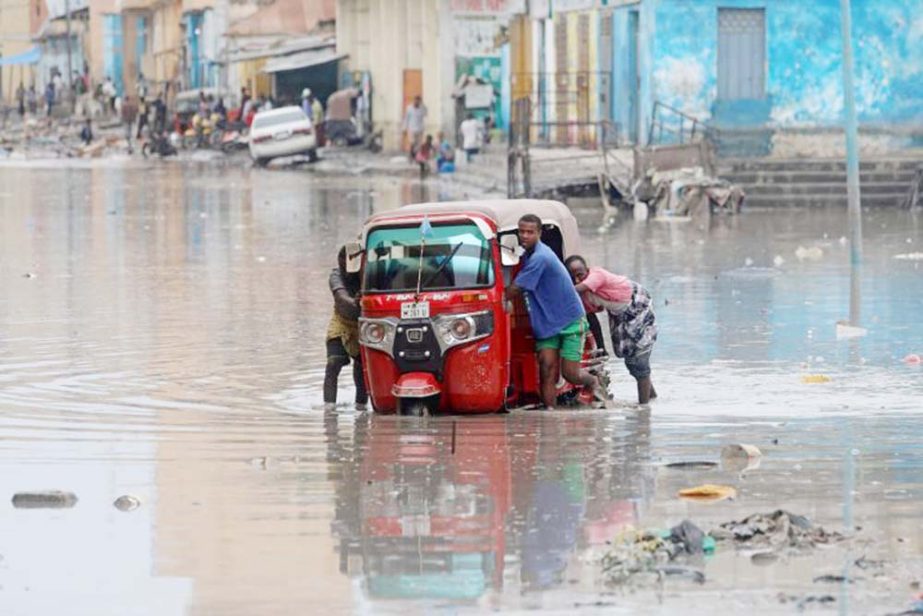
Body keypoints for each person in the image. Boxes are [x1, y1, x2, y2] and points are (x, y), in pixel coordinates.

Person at [505, 214, 605, 409]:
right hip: (546, 322)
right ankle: (550, 413)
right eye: (521, 232)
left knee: (570, 373)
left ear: (539, 234)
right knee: (546, 369)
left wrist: (495, 298)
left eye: (530, 232)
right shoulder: (528, 255)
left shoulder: (541, 257)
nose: (525, 236)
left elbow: (516, 288)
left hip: (569, 320)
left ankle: (593, 382)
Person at [565, 255, 658, 404]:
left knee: (639, 358)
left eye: (579, 275)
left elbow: (579, 287)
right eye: (571, 277)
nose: (577, 280)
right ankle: (651, 397)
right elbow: (592, 321)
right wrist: (601, 348)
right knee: (630, 360)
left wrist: (559, 288)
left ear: (587, 271)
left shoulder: (596, 275)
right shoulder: (583, 297)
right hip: (619, 314)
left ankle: (644, 410)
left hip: (637, 304)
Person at [324, 246, 368, 411]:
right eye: (342, 260)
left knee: (362, 370)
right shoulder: (336, 276)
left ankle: (361, 408)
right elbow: (341, 297)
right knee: (333, 363)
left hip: (363, 324)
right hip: (341, 322)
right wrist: (355, 302)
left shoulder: (366, 273)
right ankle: (329, 410)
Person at [402, 95, 426, 161]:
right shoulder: (409, 108)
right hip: (411, 128)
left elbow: (425, 114)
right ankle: (411, 156)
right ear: (414, 101)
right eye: (415, 101)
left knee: (418, 145)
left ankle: (416, 157)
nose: (416, 102)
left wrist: (423, 105)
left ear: (420, 102)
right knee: (412, 143)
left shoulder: (422, 108)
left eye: (418, 101)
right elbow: (406, 118)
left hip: (420, 129)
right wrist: (404, 128)